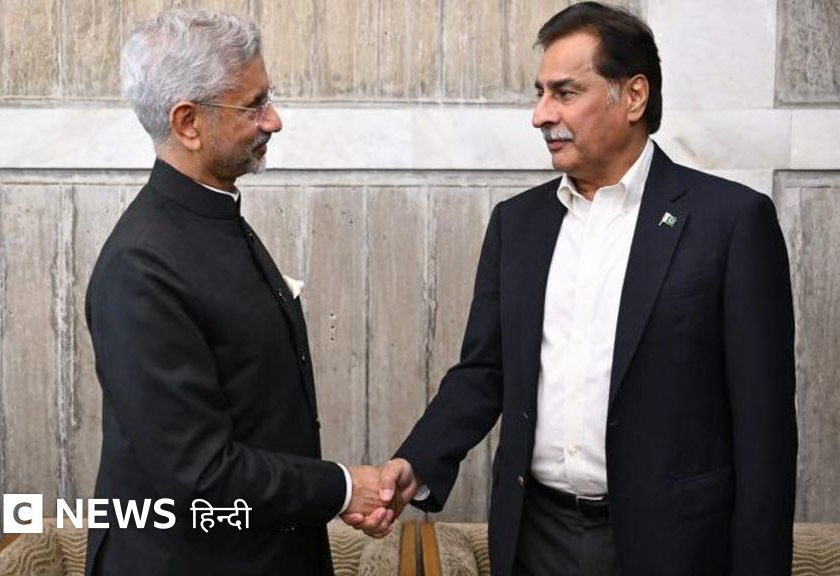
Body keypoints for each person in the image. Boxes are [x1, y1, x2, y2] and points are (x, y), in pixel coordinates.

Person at [358, 3, 798, 575]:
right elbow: (485, 371)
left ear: (633, 96)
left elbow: (765, 430)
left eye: (565, 93)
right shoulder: (517, 224)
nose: (541, 115)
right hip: (535, 537)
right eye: (541, 93)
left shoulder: (731, 222)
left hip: (675, 545)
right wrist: (417, 461)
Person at [84, 10, 391, 575]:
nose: (273, 120)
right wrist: (344, 487)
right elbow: (200, 473)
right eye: (253, 105)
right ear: (188, 123)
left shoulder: (211, 218)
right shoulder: (141, 267)